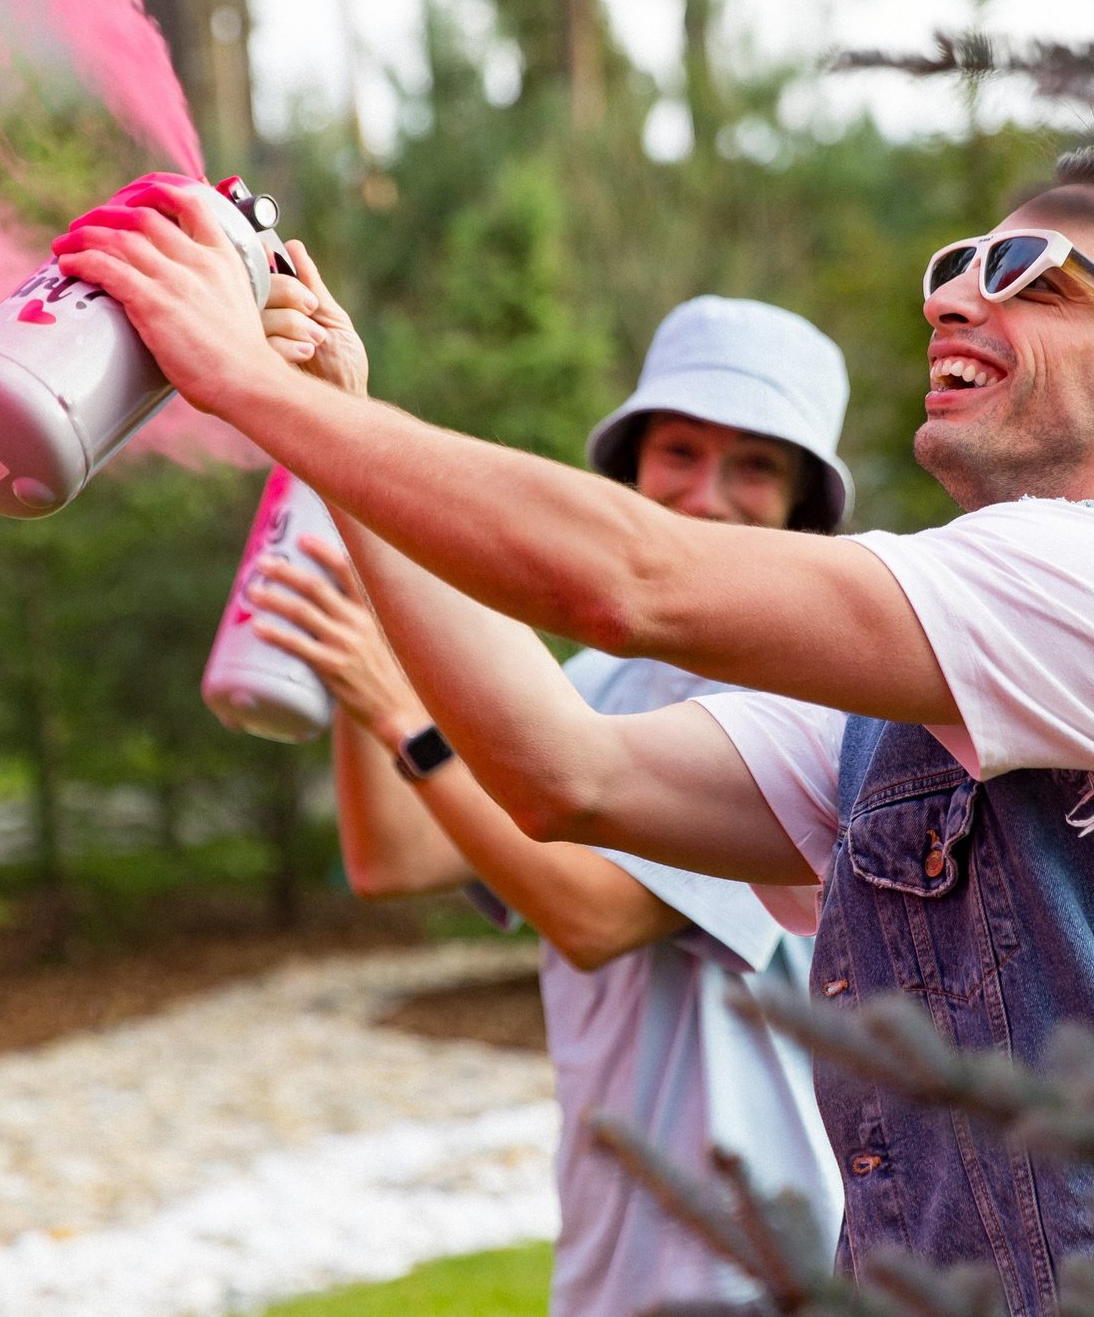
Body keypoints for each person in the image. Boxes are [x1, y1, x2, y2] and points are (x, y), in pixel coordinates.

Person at [55, 143, 1094, 1317]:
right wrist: (337, 418)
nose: (955, 292)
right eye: (959, 259)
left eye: (1029, 269)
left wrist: (252, 386)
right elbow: (564, 772)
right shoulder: (919, 692)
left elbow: (632, 580)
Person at [242, 297, 851, 1317]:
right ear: (631, 469)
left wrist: (407, 714)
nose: (705, 495)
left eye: (754, 466)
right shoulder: (593, 694)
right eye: (680, 451)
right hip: (613, 1255)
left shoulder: (802, 706)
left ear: (799, 504)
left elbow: (595, 915)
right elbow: (392, 859)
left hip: (762, 1267)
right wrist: (364, 659)